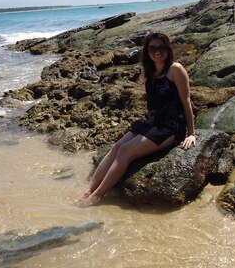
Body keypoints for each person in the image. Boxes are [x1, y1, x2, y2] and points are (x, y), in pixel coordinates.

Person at [76, 31, 197, 207]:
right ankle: (89, 190)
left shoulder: (175, 69)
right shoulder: (149, 70)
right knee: (116, 147)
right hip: (151, 122)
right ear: (147, 51)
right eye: (153, 48)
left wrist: (191, 133)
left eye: (162, 47)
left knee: (126, 150)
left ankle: (97, 196)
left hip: (171, 127)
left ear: (168, 49)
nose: (157, 51)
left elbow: (186, 101)